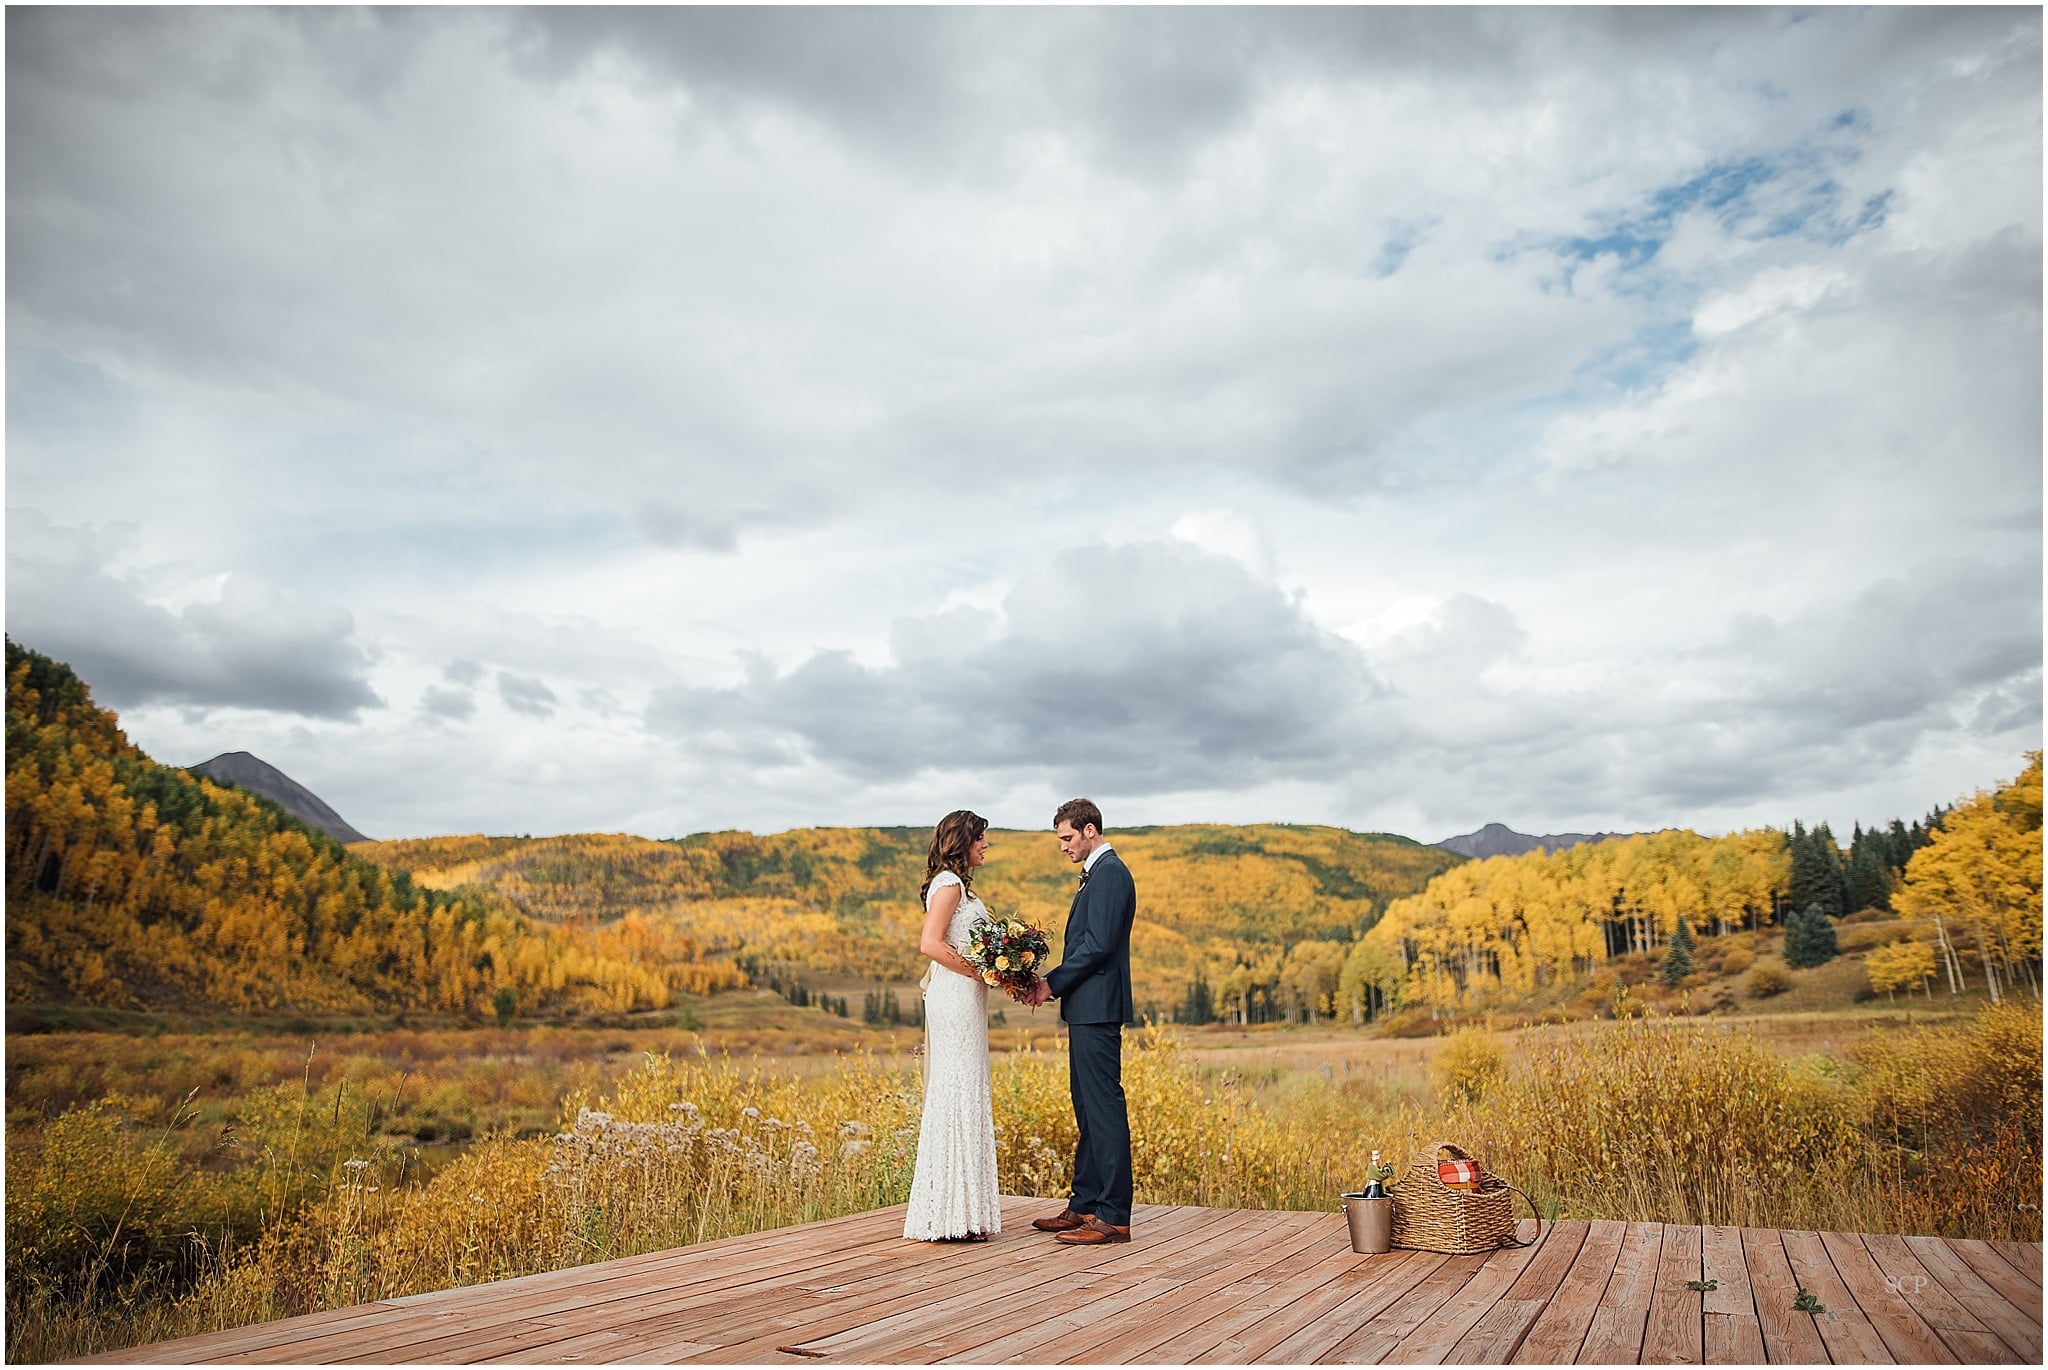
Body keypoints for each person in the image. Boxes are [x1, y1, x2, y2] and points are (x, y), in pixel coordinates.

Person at [1026, 798, 1137, 1245]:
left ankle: (1114, 1216)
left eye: (1067, 838)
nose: (1063, 847)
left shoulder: (1110, 874)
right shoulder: (1097, 874)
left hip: (1098, 1008)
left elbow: (1097, 946)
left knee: (1104, 1108)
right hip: (1087, 1008)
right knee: (1087, 1106)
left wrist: (1050, 984)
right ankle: (1086, 1203)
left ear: (1090, 831)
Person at [901, 809, 1008, 1242]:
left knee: (968, 1088)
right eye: (980, 838)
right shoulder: (949, 884)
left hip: (967, 999)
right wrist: (978, 971)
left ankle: (963, 1211)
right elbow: (930, 943)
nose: (986, 845)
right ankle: (949, 1213)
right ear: (962, 841)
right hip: (955, 998)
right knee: (957, 1090)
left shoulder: (961, 887)